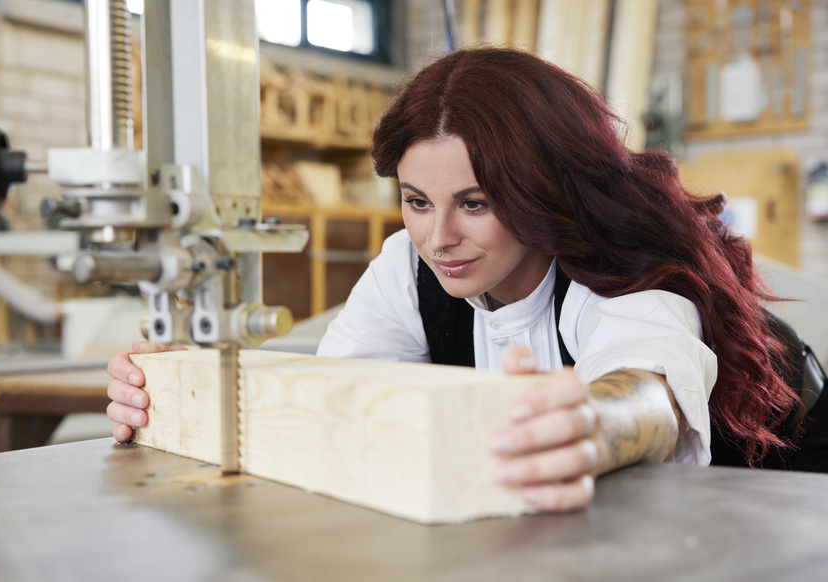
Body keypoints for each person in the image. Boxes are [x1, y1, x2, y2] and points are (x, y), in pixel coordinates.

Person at [107, 48, 802, 512]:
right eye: (416, 201)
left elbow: (649, 394)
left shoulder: (614, 266)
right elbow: (340, 391)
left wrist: (586, 423)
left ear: (543, 192)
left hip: (785, 491)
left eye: (475, 203)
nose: (439, 239)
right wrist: (178, 388)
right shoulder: (409, 267)